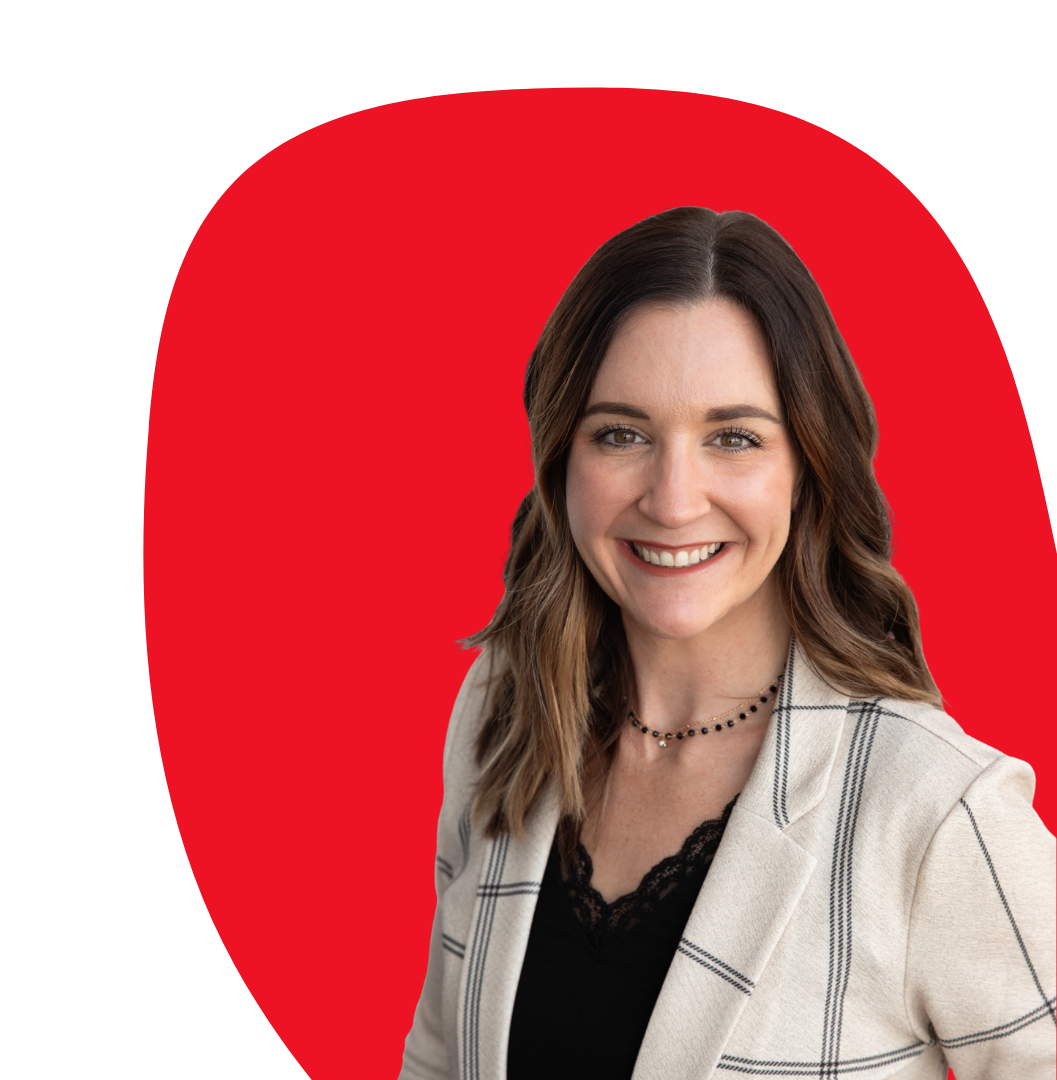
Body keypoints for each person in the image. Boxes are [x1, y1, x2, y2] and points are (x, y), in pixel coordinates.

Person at [398, 208, 1056, 1080]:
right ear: (562, 460)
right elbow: (440, 1058)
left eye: (733, 438)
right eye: (621, 434)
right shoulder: (501, 713)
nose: (674, 500)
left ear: (808, 469)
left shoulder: (935, 809)